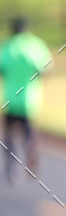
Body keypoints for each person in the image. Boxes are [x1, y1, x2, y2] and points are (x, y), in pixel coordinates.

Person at [1, 17, 52, 182]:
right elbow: (46, 69)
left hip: (11, 99)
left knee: (9, 134)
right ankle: (31, 153)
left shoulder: (9, 46)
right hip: (30, 100)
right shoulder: (35, 46)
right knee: (29, 133)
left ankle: (11, 165)